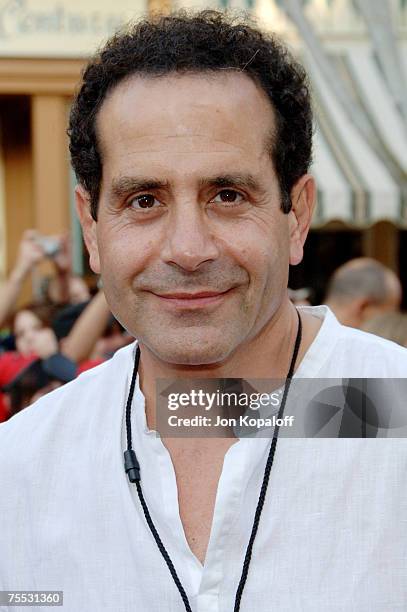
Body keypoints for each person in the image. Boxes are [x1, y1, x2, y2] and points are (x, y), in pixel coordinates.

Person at [0, 11, 406, 612]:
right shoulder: (22, 467)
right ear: (91, 227)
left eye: (227, 195)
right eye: (144, 200)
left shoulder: (391, 410)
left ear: (296, 216)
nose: (187, 250)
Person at [324, 257, 402, 328]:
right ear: (364, 307)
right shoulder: (361, 342)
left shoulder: (313, 332)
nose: (389, 327)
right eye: (386, 320)